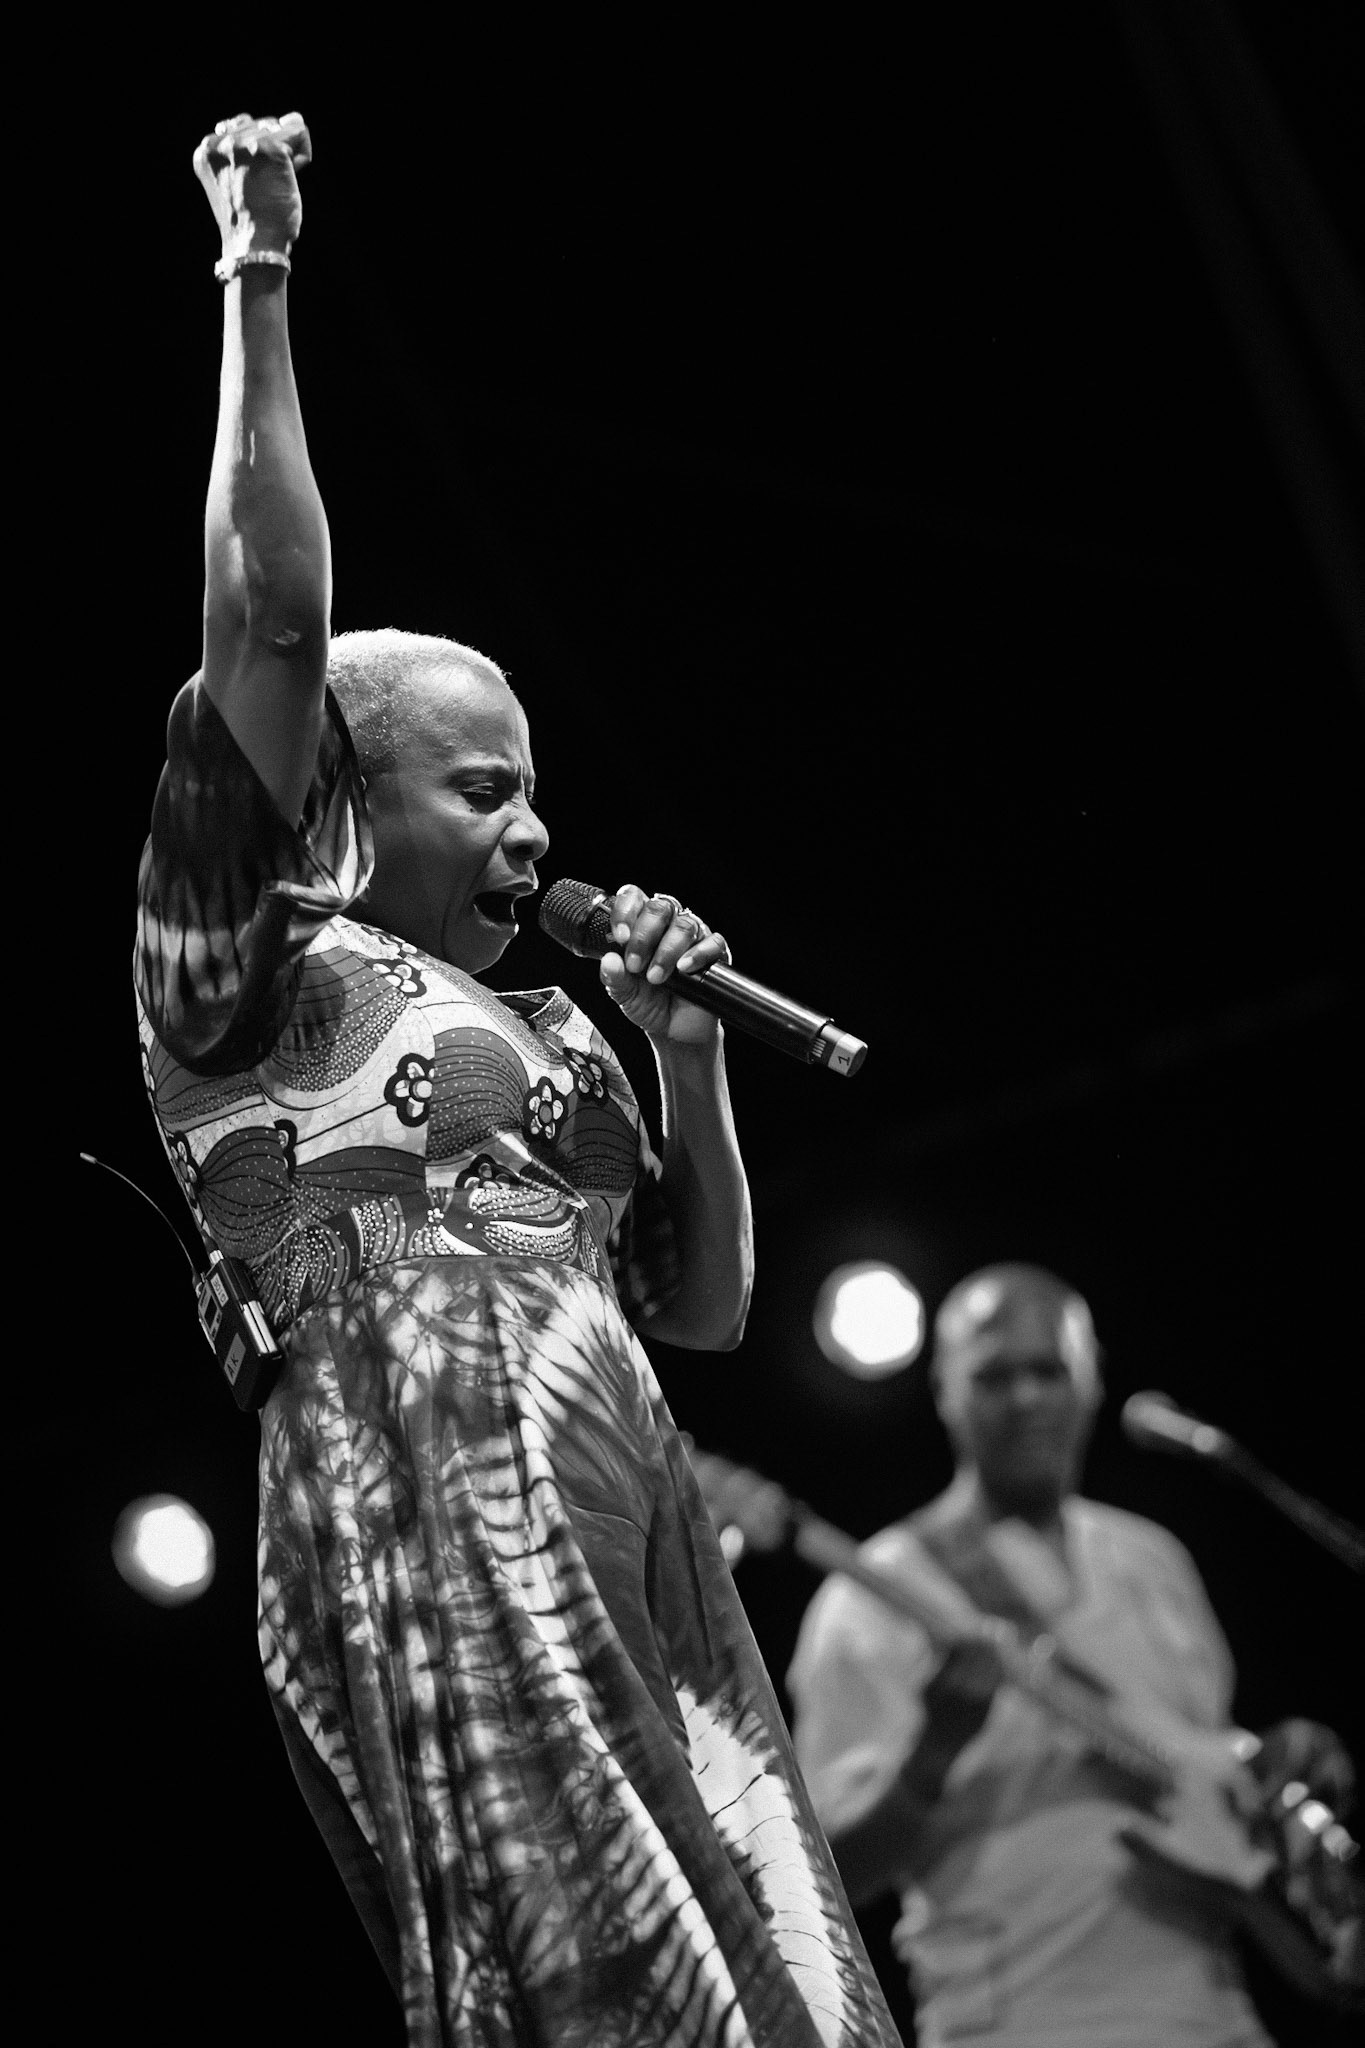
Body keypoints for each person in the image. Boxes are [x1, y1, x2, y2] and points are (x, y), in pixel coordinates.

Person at [134, 113, 900, 2048]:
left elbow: (707, 1311)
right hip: (422, 1455)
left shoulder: (565, 1042)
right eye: (482, 786)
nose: (534, 825)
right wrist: (260, 274)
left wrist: (690, 1053)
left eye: (537, 787)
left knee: (773, 1951)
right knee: (592, 1959)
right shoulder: (239, 971)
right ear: (335, 796)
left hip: (626, 1480)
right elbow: (269, 620)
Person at [787, 1262, 1354, 2048]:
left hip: (1214, 2015)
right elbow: (824, 1881)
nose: (1025, 1400)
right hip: (1023, 2021)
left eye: (1047, 1372)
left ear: (1090, 1381)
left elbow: (1203, 1779)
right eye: (992, 1377)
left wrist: (1271, 1766)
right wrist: (931, 1751)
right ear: (944, 1392)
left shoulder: (1150, 1559)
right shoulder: (876, 1595)